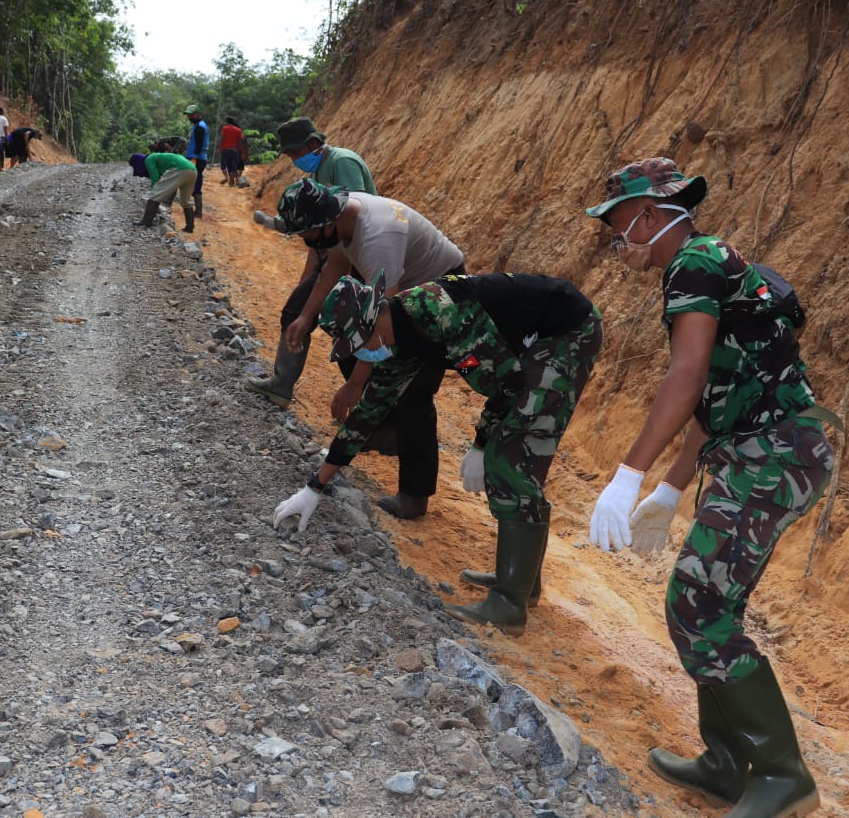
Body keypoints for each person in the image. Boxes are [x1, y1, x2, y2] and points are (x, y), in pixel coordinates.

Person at [584, 157, 835, 818]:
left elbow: (687, 376)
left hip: (774, 455)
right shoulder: (707, 260)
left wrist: (627, 474)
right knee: (704, 601)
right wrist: (669, 490)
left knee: (697, 605)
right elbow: (719, 393)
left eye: (617, 224)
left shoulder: (692, 263)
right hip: (763, 450)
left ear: (648, 213)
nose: (616, 240)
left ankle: (783, 776)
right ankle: (726, 763)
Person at [272, 270, 601, 633]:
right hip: (535, 341)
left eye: (361, 342)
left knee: (509, 457)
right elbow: (368, 414)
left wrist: (480, 444)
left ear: (375, 317)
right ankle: (523, 584)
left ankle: (509, 602)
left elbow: (507, 385)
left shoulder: (442, 315)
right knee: (511, 454)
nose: (365, 353)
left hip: (566, 333)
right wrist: (313, 487)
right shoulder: (400, 337)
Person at [270, 178, 466, 519]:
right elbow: (335, 265)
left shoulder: (379, 238)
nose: (307, 244)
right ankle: (384, 430)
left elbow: (381, 322)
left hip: (441, 291)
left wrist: (356, 384)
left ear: (326, 224)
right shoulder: (340, 218)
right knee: (346, 327)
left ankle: (415, 495)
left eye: (308, 237)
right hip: (401, 290)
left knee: (414, 388)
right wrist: (305, 317)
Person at [245, 117, 376, 408]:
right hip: (336, 255)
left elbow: (360, 214)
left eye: (294, 153)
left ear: (313, 144)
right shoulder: (317, 174)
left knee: (346, 326)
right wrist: (307, 281)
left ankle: (368, 403)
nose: (293, 160)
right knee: (297, 310)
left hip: (357, 255)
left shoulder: (343, 162)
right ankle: (281, 385)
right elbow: (318, 235)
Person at [129, 151, 197, 233]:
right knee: (186, 201)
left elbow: (154, 176)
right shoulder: (157, 157)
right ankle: (190, 227)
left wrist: (155, 191)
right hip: (193, 170)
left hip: (180, 169)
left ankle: (146, 221)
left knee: (155, 195)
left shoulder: (148, 159)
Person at [183, 105, 209, 218]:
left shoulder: (200, 127)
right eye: (188, 115)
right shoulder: (197, 125)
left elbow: (199, 144)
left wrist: (194, 158)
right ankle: (195, 210)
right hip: (195, 157)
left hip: (197, 158)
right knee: (193, 181)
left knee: (195, 181)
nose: (189, 117)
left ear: (198, 114)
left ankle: (198, 211)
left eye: (191, 114)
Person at [217, 116, 249, 187]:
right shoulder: (238, 130)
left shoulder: (224, 128)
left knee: (223, 166)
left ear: (227, 122)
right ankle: (232, 183)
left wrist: (219, 148)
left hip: (225, 150)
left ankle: (226, 177)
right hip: (234, 151)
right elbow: (240, 142)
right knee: (232, 167)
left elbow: (222, 138)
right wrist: (242, 152)